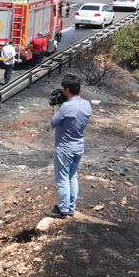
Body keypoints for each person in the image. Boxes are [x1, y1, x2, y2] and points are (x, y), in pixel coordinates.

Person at [47, 73, 92, 219]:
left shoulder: (66, 106)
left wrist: (61, 106)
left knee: (62, 180)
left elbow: (54, 123)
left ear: (66, 89)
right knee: (72, 177)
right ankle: (71, 207)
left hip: (64, 148)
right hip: (78, 147)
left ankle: (63, 210)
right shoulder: (86, 104)